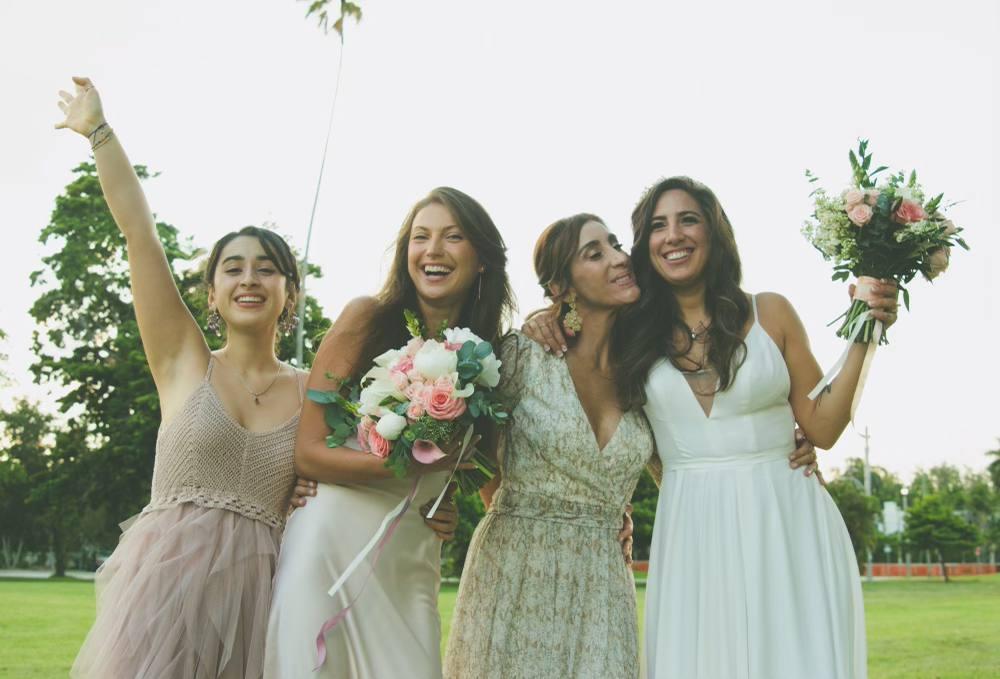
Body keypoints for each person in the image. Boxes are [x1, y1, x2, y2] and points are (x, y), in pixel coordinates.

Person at [57, 76, 312, 679]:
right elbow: (140, 236)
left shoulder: (315, 390)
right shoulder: (183, 362)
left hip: (264, 606)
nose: (249, 279)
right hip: (163, 604)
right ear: (212, 293)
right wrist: (99, 132)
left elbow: (348, 480)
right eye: (233, 268)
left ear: (290, 292)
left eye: (266, 269)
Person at [264, 187, 516, 679]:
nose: (433, 250)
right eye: (421, 237)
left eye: (453, 237)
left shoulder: (493, 355)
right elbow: (309, 454)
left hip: (410, 555)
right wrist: (409, 465)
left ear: (482, 258)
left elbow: (478, 466)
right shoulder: (366, 319)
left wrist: (446, 500)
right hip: (329, 541)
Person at [443, 214, 656, 678]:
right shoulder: (523, 354)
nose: (619, 258)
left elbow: (681, 465)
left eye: (616, 245)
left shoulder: (645, 370)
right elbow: (476, 456)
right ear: (561, 287)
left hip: (604, 584)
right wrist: (523, 513)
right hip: (515, 572)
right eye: (594, 253)